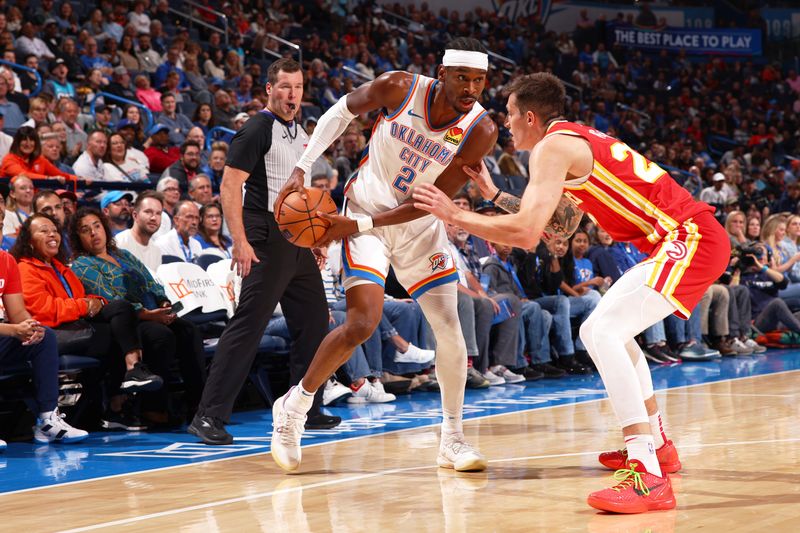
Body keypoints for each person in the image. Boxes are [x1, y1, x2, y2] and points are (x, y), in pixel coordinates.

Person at [412, 72, 730, 513]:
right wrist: (492, 193)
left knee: (599, 332)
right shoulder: (572, 141)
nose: (505, 125)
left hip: (689, 237)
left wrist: (455, 215)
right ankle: (657, 447)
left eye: (508, 115)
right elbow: (560, 226)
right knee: (611, 332)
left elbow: (525, 233)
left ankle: (647, 473)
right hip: (685, 237)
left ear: (529, 116)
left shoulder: (551, 148)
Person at [268, 39, 497, 473]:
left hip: (417, 227)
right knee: (361, 323)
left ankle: (452, 438)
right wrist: (303, 166)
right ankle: (294, 408)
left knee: (451, 332)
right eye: (462, 78)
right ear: (442, 73)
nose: (471, 88)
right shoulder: (399, 87)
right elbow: (340, 112)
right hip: (366, 210)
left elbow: (433, 200)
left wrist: (355, 227)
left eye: (479, 80)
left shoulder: (480, 130)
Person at [187, 58, 342, 446]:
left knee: (313, 324)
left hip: (296, 238)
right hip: (265, 237)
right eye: (285, 87)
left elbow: (300, 192)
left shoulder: (301, 132)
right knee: (248, 326)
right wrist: (239, 240)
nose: (293, 94)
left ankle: (305, 406)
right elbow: (229, 187)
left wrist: (316, 237)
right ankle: (208, 416)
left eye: (299, 87)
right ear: (269, 90)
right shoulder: (256, 129)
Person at [70, 208, 206, 424]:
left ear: (105, 228)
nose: (94, 233)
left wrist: (163, 303)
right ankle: (152, 408)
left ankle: (198, 404)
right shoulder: (82, 265)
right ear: (78, 238)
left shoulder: (123, 255)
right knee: (160, 335)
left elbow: (150, 281)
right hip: (125, 322)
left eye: (96, 226)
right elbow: (111, 297)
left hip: (152, 312)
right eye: (85, 230)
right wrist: (151, 315)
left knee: (189, 330)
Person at [0, 250, 88, 446]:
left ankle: (48, 421)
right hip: (5, 331)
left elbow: (18, 312)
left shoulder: (6, 261)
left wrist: (30, 326)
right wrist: (14, 330)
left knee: (44, 336)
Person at [116, 191, 165, 271]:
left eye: (158, 213)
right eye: (148, 212)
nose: (154, 218)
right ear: (135, 215)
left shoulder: (156, 250)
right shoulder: (119, 243)